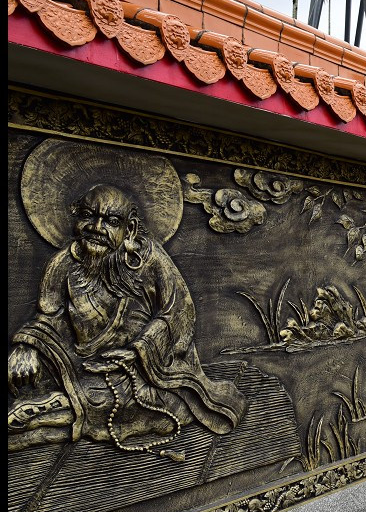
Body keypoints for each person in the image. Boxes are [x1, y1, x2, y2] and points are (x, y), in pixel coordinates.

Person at [8, 185, 246, 456]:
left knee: (159, 404)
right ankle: (45, 411)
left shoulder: (150, 259)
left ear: (130, 229)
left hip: (146, 369)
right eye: (88, 216)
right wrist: (26, 347)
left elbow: (177, 313)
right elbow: (49, 316)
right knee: (45, 382)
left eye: (111, 221)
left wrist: (138, 351)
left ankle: (45, 414)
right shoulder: (63, 263)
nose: (97, 227)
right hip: (80, 364)